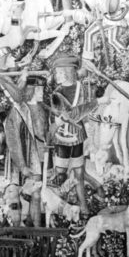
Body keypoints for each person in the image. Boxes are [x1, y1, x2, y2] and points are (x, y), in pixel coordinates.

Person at [48, 54, 96, 213]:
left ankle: (83, 207)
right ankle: (59, 208)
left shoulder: (81, 87)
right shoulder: (57, 93)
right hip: (62, 136)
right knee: (60, 176)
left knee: (79, 173)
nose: (57, 76)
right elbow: (72, 113)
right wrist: (96, 103)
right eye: (56, 73)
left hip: (77, 135)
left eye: (60, 73)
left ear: (68, 72)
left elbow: (82, 113)